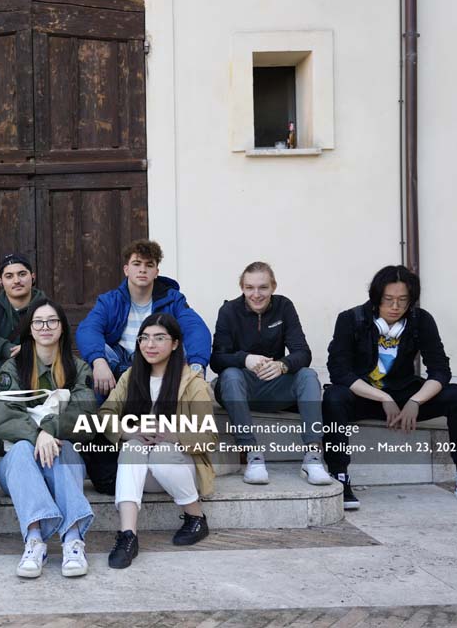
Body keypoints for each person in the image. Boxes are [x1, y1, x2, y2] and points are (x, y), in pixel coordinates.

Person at [323, 265, 457, 510]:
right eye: (388, 299)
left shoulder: (420, 320)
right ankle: (339, 476)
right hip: (365, 396)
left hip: (405, 394)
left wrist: (416, 401)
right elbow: (340, 371)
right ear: (376, 298)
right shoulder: (351, 319)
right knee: (334, 397)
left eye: (403, 300)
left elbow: (440, 369)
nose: (395, 306)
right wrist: (383, 397)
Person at [74, 239, 212, 494]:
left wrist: (197, 366)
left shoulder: (172, 299)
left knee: (178, 346)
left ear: (156, 271)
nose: (143, 270)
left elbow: (195, 328)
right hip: (119, 367)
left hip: (156, 366)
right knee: (97, 358)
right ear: (126, 269)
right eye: (137, 264)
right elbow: (88, 329)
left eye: (149, 265)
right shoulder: (111, 300)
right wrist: (99, 361)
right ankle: (97, 446)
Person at [99, 313, 216, 569]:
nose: (150, 345)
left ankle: (196, 517)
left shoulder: (193, 384)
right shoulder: (131, 376)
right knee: (132, 446)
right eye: (144, 338)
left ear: (175, 344)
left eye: (159, 338)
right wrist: (130, 431)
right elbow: (105, 414)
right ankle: (128, 536)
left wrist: (173, 435)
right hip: (144, 475)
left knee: (162, 452)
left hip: (181, 470)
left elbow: (208, 437)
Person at [0, 299, 97, 579]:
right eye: (38, 322)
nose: (45, 327)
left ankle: (72, 540)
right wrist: (37, 435)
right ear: (30, 329)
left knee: (62, 448)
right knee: (22, 449)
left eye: (52, 321)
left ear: (62, 328)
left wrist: (50, 430)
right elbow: (2, 417)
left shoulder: (78, 368)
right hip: (18, 468)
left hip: (63, 461)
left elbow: (85, 415)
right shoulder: (13, 368)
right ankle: (35, 541)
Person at [211, 262, 333, 486]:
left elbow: (303, 352)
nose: (256, 294)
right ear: (242, 287)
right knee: (230, 375)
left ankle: (313, 457)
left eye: (263, 287)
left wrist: (282, 365)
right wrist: (245, 359)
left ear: (273, 286)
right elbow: (217, 359)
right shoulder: (229, 311)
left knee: (307, 375)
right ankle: (252, 455)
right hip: (240, 386)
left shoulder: (284, 306)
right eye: (249, 288)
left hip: (274, 384)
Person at [0, 252, 47, 397]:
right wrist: (8, 349)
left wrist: (29, 350)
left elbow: (60, 336)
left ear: (32, 277)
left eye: (22, 274)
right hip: (3, 362)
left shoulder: (48, 308)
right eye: (9, 276)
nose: (16, 280)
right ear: (1, 282)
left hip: (39, 360)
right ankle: (6, 401)